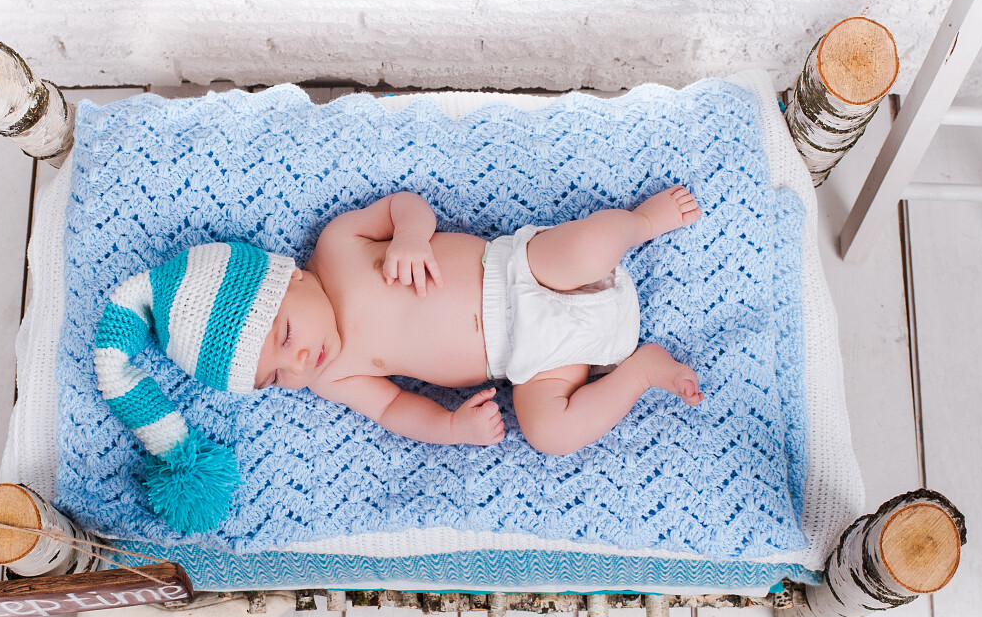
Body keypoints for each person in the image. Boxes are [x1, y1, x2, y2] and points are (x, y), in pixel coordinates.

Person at [95, 188, 703, 532]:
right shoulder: (333, 376)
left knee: (588, 247)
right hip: (533, 363)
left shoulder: (339, 246)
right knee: (550, 433)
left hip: (527, 274)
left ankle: (642, 223)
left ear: (288, 277)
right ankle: (641, 372)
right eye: (276, 377)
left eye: (286, 335)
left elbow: (404, 206)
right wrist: (451, 427)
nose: (299, 362)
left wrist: (411, 237)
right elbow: (392, 407)